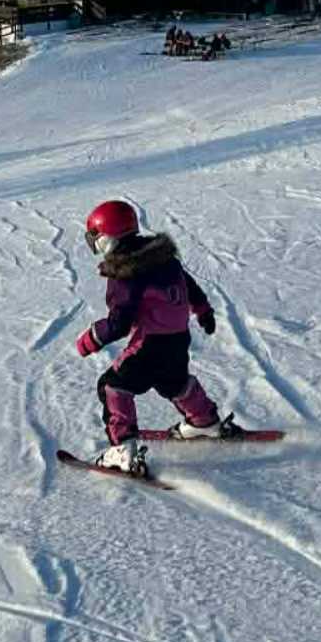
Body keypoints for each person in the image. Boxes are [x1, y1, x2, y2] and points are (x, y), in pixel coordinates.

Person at [73, 200, 236, 475]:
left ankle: (123, 448)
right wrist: (203, 310)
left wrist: (91, 338)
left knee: (113, 386)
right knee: (173, 381)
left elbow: (120, 323)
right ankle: (204, 422)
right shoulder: (163, 258)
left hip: (149, 343)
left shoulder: (126, 273)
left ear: (108, 237)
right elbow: (189, 285)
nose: (94, 245)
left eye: (95, 238)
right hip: (177, 339)